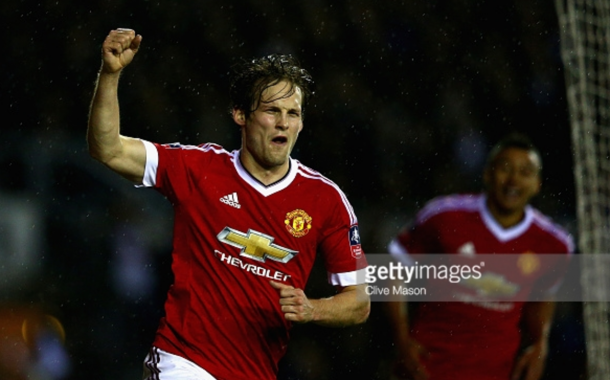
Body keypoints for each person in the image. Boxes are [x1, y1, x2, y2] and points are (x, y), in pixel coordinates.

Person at [87, 28, 370, 380]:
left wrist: (313, 309)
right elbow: (108, 149)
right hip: (183, 362)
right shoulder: (199, 169)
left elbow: (359, 302)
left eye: (293, 113)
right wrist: (111, 74)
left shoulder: (326, 201)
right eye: (271, 110)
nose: (283, 122)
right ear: (240, 115)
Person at [385, 132, 574, 380]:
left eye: (525, 172)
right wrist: (401, 340)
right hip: (426, 369)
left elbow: (544, 295)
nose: (514, 180)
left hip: (495, 373)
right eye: (505, 168)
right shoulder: (444, 216)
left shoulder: (555, 245)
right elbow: (393, 268)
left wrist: (541, 343)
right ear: (487, 173)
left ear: (537, 183)